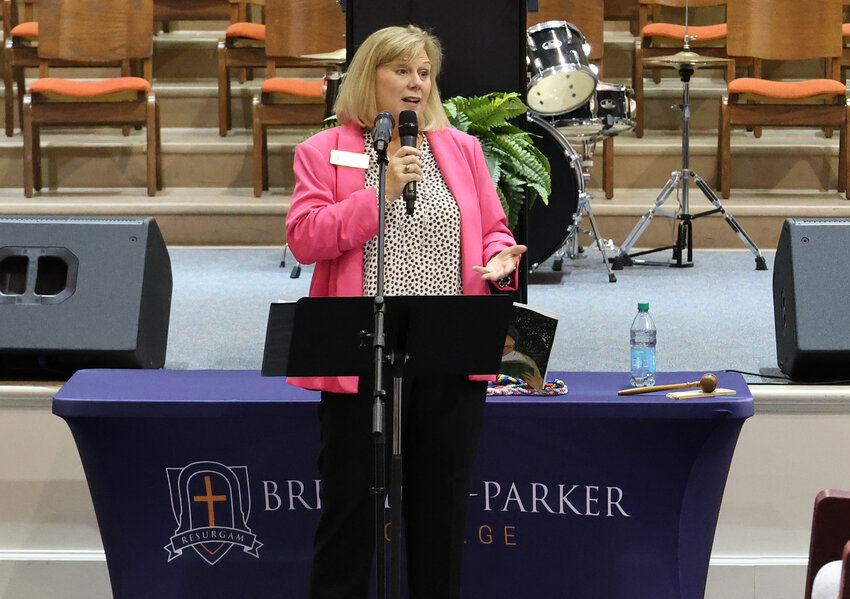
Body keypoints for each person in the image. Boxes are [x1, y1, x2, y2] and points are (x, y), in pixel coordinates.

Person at [284, 24, 526, 599]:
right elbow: (305, 238)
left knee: (440, 520)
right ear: (371, 76)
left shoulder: (462, 150)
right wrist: (380, 194)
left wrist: (500, 259)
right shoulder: (324, 151)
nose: (415, 83)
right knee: (351, 518)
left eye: (424, 73)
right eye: (402, 71)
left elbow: (493, 231)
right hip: (360, 352)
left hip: (446, 348)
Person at [500, 325, 544, 390]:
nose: (504, 350)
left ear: (514, 345)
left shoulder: (526, 361)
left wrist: (538, 385)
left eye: (508, 347)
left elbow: (540, 385)